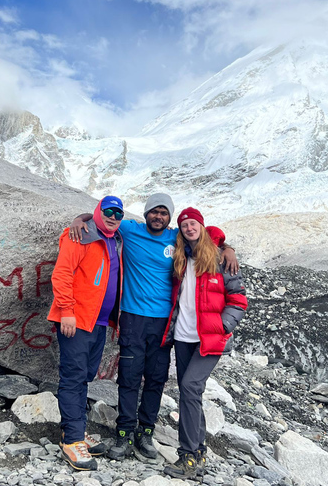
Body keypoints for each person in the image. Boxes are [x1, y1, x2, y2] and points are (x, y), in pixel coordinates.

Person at [68, 194, 238, 462]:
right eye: (154, 212)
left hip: (165, 323)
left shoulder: (176, 238)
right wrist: (80, 219)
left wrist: (228, 248)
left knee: (156, 379)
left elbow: (208, 234)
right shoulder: (130, 229)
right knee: (129, 377)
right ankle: (123, 433)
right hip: (133, 319)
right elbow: (103, 218)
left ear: (169, 218)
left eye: (164, 213)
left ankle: (145, 432)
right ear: (145, 214)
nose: (158, 217)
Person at [161, 207, 248, 480]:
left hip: (210, 339)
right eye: (184, 224)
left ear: (201, 225)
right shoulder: (179, 257)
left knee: (188, 386)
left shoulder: (221, 258)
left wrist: (223, 326)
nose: (189, 228)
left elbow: (238, 299)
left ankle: (187, 455)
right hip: (183, 337)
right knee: (191, 394)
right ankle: (198, 453)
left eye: (193, 223)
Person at [48, 195, 125, 471]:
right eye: (108, 211)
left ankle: (73, 430)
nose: (113, 216)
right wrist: (66, 310)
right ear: (98, 211)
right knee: (73, 376)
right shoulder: (79, 235)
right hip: (76, 320)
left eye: (118, 213)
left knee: (85, 376)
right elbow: (62, 274)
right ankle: (72, 440)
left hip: (99, 323)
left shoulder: (114, 239)